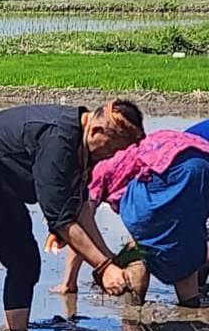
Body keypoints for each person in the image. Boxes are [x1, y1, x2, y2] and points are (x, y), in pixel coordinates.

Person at [0, 101, 145, 331]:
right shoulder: (59, 139)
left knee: (25, 262)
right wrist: (102, 267)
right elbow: (61, 220)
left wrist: (109, 260)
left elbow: (77, 207)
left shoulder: (81, 148)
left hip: (4, 187)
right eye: (110, 149)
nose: (109, 156)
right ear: (96, 131)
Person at [71, 129, 209, 306]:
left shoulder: (97, 170)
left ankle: (133, 308)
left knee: (143, 246)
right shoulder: (129, 146)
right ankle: (190, 303)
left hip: (170, 170)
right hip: (201, 160)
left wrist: (73, 280)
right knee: (184, 238)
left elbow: (82, 225)